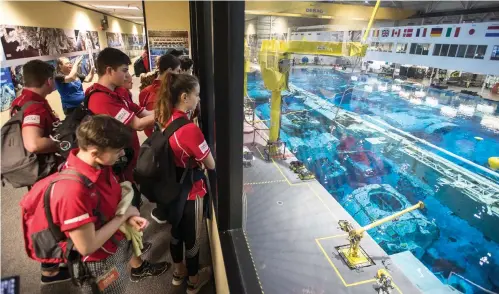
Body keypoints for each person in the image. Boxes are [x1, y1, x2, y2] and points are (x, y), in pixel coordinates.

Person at [47, 115, 169, 293]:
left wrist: (126, 218)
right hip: (98, 264)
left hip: (112, 244)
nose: (121, 154)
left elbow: (107, 203)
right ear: (95, 152)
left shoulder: (100, 165)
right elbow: (87, 246)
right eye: (117, 150)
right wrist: (124, 216)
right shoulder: (72, 191)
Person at [155, 73, 215, 293]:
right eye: (197, 95)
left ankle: (178, 272)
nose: (199, 99)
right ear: (184, 97)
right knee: (193, 239)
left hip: (171, 190)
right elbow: (210, 164)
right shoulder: (189, 129)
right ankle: (193, 280)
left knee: (176, 233)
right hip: (191, 193)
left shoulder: (166, 118)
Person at [10, 59, 66, 284]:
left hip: (37, 169)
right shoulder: (34, 105)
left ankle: (54, 263)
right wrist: (62, 143)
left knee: (48, 214)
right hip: (44, 171)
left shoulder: (21, 99)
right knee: (48, 216)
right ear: (48, 81)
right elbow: (33, 143)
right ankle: (50, 270)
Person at [86, 47, 155, 184]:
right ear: (109, 70)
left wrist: (168, 109)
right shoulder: (102, 100)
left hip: (128, 156)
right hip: (117, 162)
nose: (127, 76)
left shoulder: (117, 93)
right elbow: (137, 124)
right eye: (124, 70)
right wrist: (171, 113)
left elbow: (142, 112)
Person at [139, 54, 181, 137]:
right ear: (169, 70)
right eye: (177, 71)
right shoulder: (173, 91)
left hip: (153, 138)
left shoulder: (145, 91)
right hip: (169, 136)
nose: (179, 74)